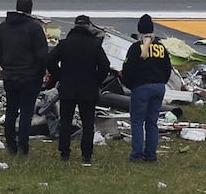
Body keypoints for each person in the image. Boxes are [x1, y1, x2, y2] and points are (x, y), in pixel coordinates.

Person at [45, 14, 111, 165]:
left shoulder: (65, 44)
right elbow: (105, 66)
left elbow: (50, 61)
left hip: (67, 87)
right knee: (88, 123)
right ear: (88, 27)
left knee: (65, 121)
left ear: (74, 26)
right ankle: (86, 155)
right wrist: (96, 81)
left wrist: (59, 76)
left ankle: (64, 152)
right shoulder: (94, 45)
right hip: (88, 89)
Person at [0, 0, 49, 156]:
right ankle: (23, 146)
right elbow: (42, 54)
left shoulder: (3, 27)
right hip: (30, 77)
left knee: (11, 110)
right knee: (26, 112)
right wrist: (40, 71)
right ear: (30, 10)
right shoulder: (34, 28)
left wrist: (6, 66)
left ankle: (11, 144)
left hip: (10, 75)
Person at [121, 14, 171, 163]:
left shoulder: (136, 47)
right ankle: (151, 155)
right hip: (159, 87)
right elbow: (168, 68)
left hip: (141, 88)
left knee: (137, 122)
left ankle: (137, 154)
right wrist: (161, 82)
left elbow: (128, 69)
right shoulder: (161, 47)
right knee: (152, 122)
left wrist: (130, 85)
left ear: (139, 30)